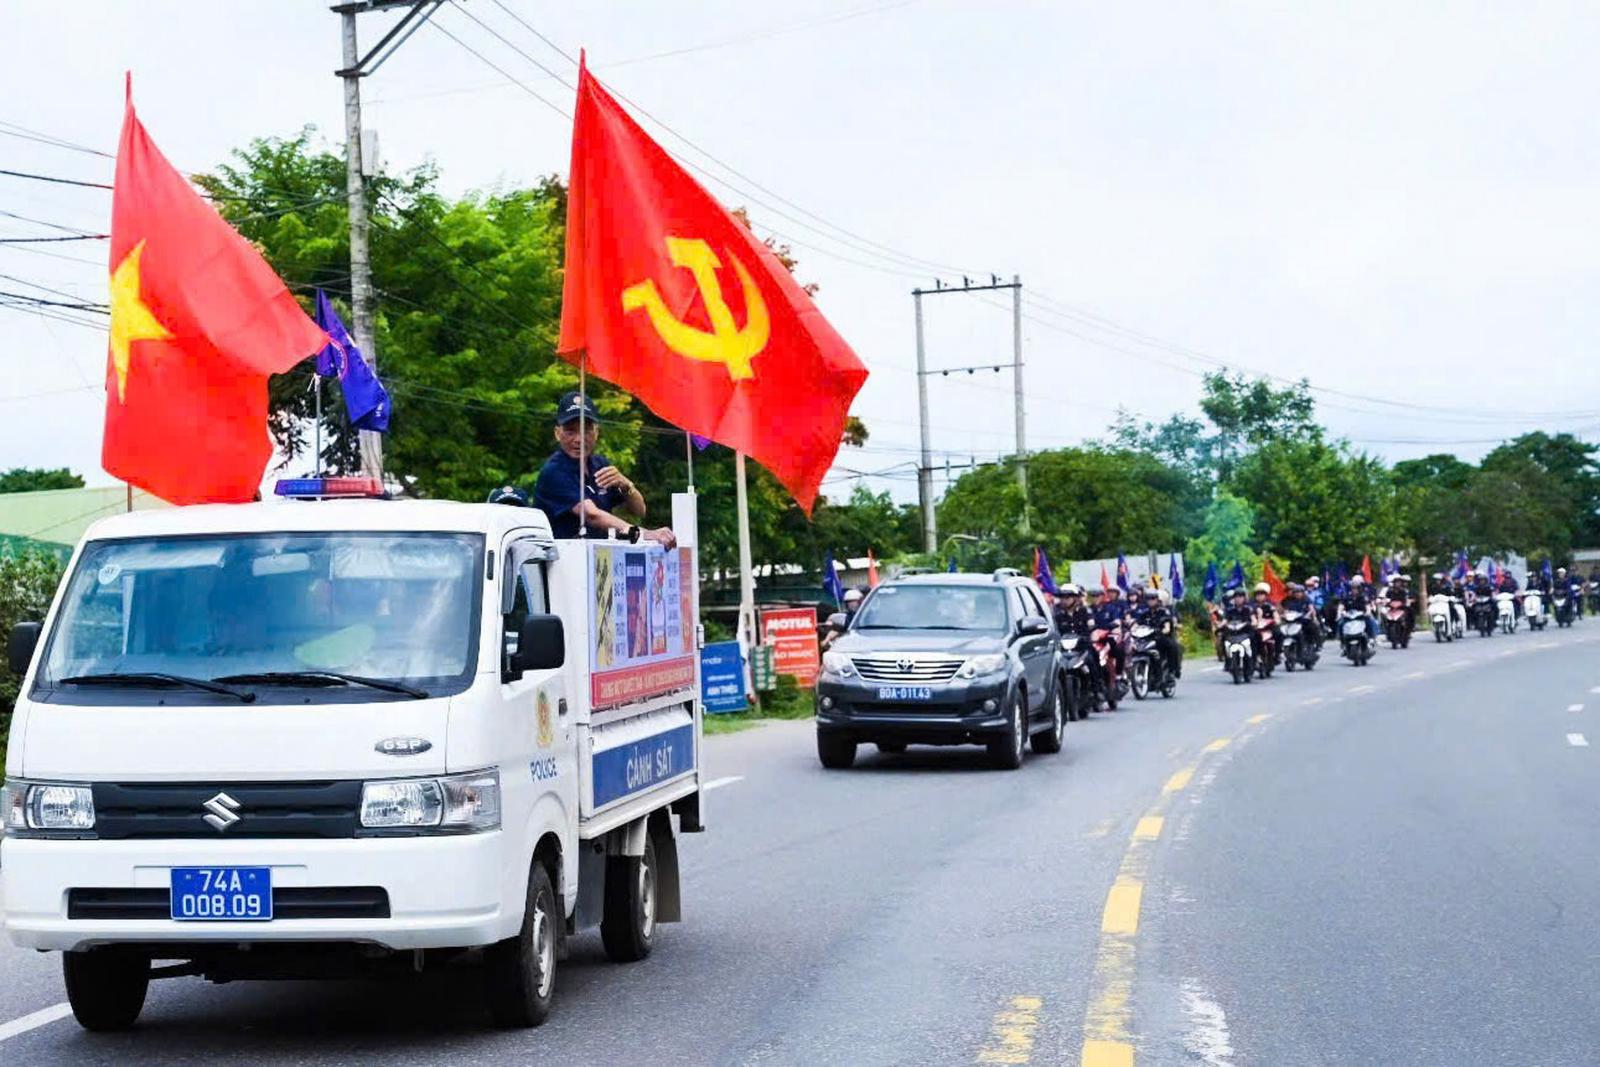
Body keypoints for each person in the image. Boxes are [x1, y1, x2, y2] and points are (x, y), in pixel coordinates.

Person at [533, 391, 676, 547]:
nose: (579, 439)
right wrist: (645, 534)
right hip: (563, 558)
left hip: (599, 556)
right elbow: (591, 515)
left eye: (586, 430)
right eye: (570, 431)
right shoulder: (554, 471)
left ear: (596, 433)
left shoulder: (600, 465)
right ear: (557, 433)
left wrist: (626, 485)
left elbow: (639, 511)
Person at [1130, 587, 1183, 680]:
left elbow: (1167, 625)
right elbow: (1137, 623)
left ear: (1157, 600)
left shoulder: (1164, 612)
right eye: (1149, 599)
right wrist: (1132, 629)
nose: (1151, 601)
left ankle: (1172, 671)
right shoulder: (1145, 613)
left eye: (1153, 598)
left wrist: (1164, 630)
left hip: (1161, 637)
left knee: (1171, 645)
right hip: (1147, 638)